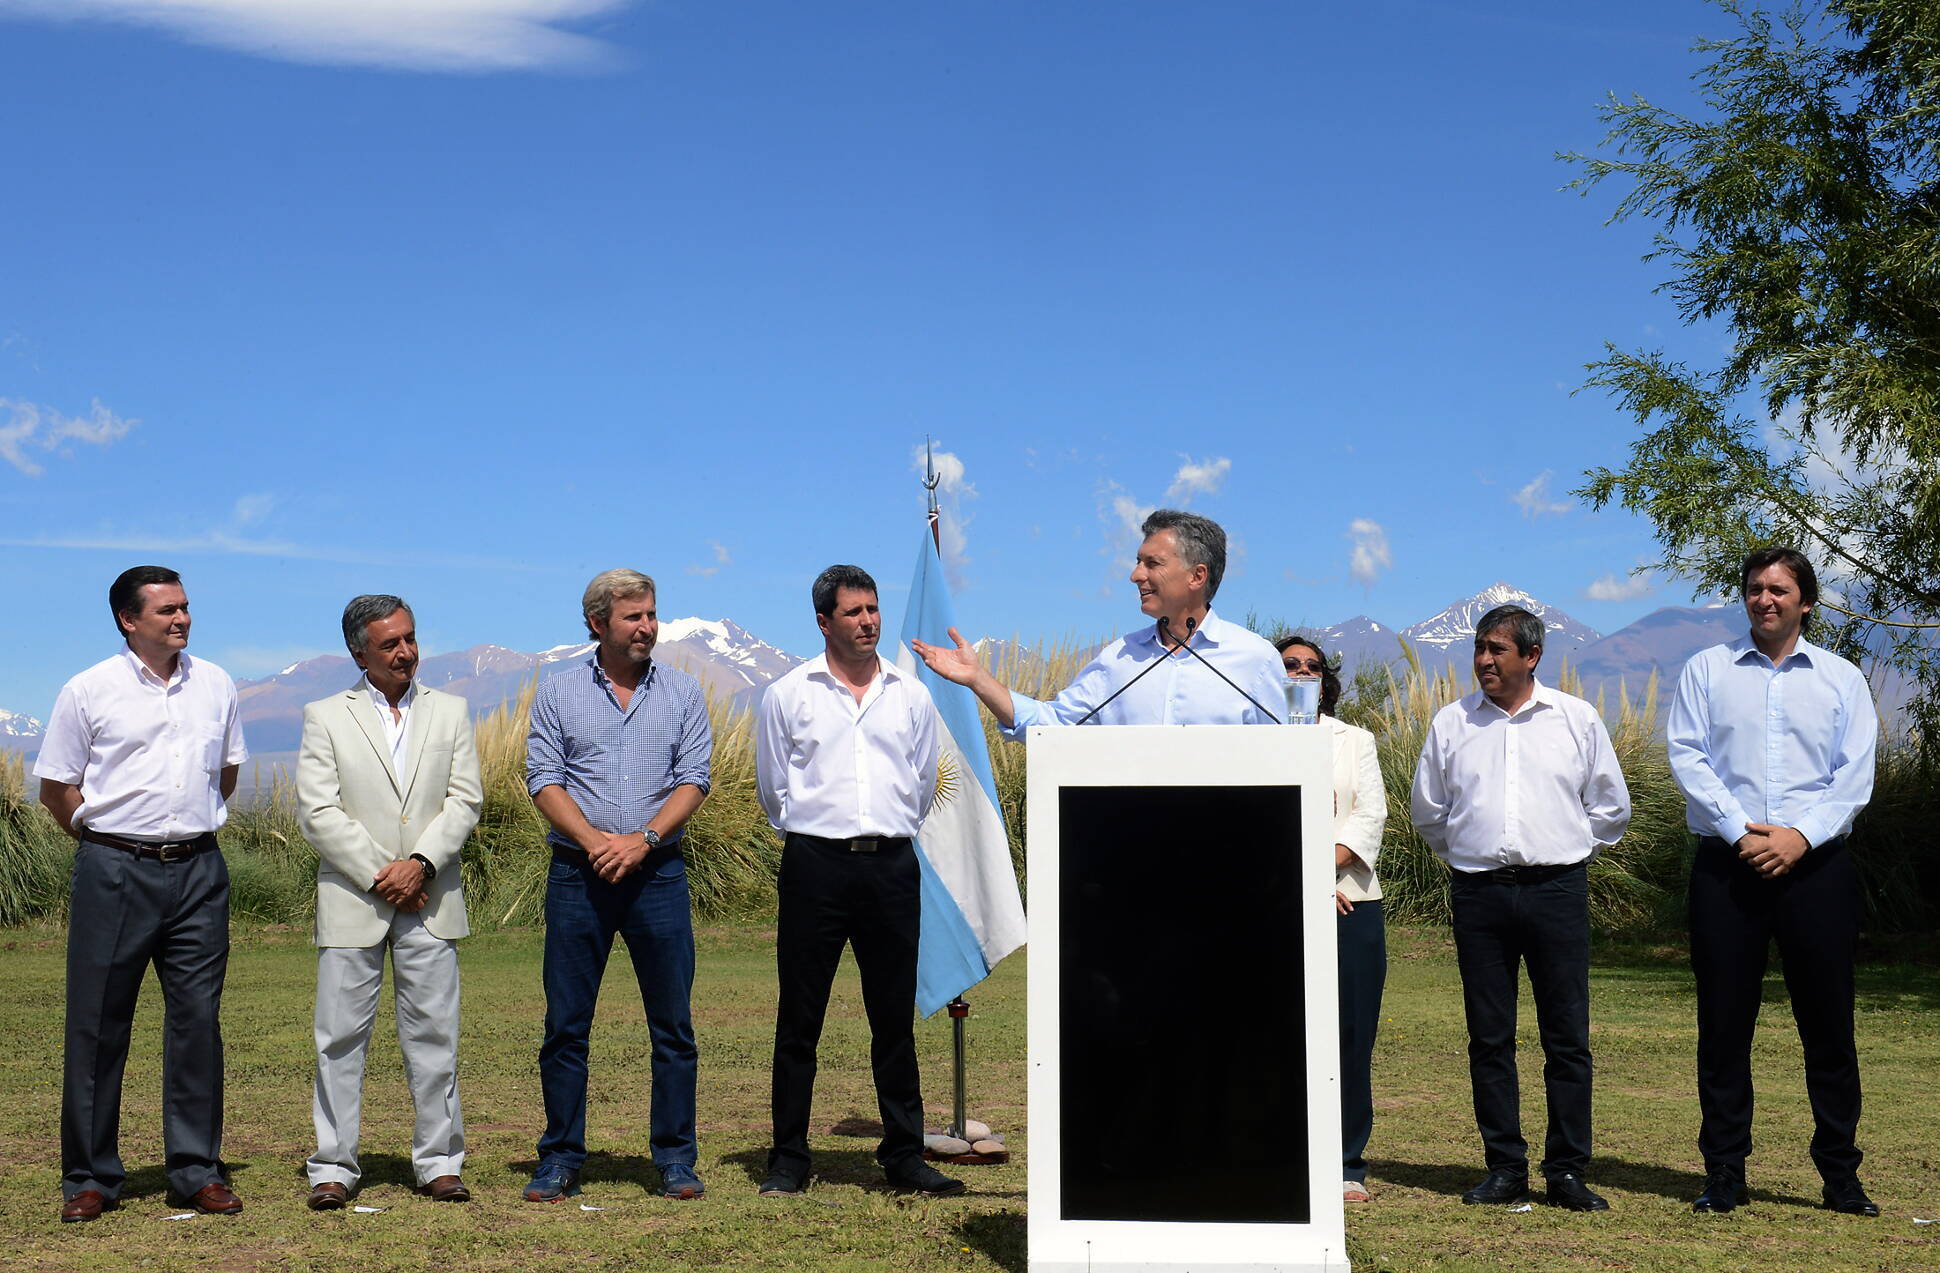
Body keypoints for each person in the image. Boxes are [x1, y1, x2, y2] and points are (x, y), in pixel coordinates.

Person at [1667, 547, 1879, 1217]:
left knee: (1828, 1024)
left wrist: (1798, 837)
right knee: (1724, 1024)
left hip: (1817, 868)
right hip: (1727, 866)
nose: (1765, 598)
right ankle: (1724, 1172)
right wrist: (1742, 832)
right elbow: (1689, 757)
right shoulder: (1706, 670)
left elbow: (1854, 776)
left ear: (1806, 601)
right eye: (1756, 588)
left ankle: (1840, 1173)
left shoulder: (1842, 679)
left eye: (1780, 589)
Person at [35, 565, 249, 1222]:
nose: (182, 619)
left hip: (199, 872)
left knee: (197, 1023)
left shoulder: (216, 684)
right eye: (167, 611)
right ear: (130, 619)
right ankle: (91, 1177)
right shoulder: (88, 689)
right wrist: (106, 842)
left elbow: (228, 773)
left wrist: (181, 832)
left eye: (185, 607)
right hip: (113, 869)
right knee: (98, 1023)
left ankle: (195, 1169)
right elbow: (56, 786)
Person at [753, 565, 965, 1199]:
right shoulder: (788, 694)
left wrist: (883, 832)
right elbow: (773, 789)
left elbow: (923, 784)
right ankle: (789, 1157)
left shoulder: (911, 694)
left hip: (892, 869)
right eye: (853, 612)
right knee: (800, 1018)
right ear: (824, 621)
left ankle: (904, 1154)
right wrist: (822, 832)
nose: (869, 621)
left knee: (893, 1019)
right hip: (815, 866)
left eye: (873, 609)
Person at [1410, 604, 1630, 1212]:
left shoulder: (1575, 719)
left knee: (1567, 1037)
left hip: (1557, 890)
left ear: (1531, 657)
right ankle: (1505, 1166)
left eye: (1497, 649)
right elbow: (1429, 812)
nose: (1483, 659)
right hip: (1479, 893)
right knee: (1489, 1036)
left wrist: (1568, 847)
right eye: (1479, 647)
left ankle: (1565, 1171)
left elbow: (1611, 806)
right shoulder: (1451, 723)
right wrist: (1474, 854)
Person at [523, 569, 712, 1203]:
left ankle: (676, 1158)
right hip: (580, 875)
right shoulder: (558, 692)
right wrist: (597, 842)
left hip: (658, 874)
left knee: (673, 1025)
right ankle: (560, 1157)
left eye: (652, 615)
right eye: (634, 617)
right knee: (567, 1025)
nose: (648, 627)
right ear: (597, 624)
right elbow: (544, 779)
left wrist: (644, 840)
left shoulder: (683, 692)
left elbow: (695, 778)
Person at [296, 595, 483, 1210]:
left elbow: (465, 800)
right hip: (355, 900)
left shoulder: (451, 711)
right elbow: (318, 811)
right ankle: (332, 1167)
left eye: (409, 637)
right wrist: (384, 874)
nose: (406, 651)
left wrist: (421, 865)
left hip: (431, 898)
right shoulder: (324, 715)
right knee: (339, 1039)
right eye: (389, 644)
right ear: (359, 652)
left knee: (435, 1035)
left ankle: (439, 1162)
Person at [909, 508, 1284, 733]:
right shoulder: (1119, 659)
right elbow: (1052, 726)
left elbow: (1289, 762)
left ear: (1196, 576)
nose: (1135, 575)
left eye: (1151, 563)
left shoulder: (1254, 659)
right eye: (1138, 562)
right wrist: (978, 679)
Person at [1277, 634, 1387, 1205]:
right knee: (1276, 1034)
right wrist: (1300, 883)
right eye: (1289, 664)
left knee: (1348, 1036)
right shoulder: (1251, 739)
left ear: (1326, 678)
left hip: (1352, 902)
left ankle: (1346, 1162)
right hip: (1271, 904)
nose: (1300, 672)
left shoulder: (1354, 741)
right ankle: (1280, 1152)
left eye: (1311, 666)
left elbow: (1370, 814)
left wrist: (1322, 874)